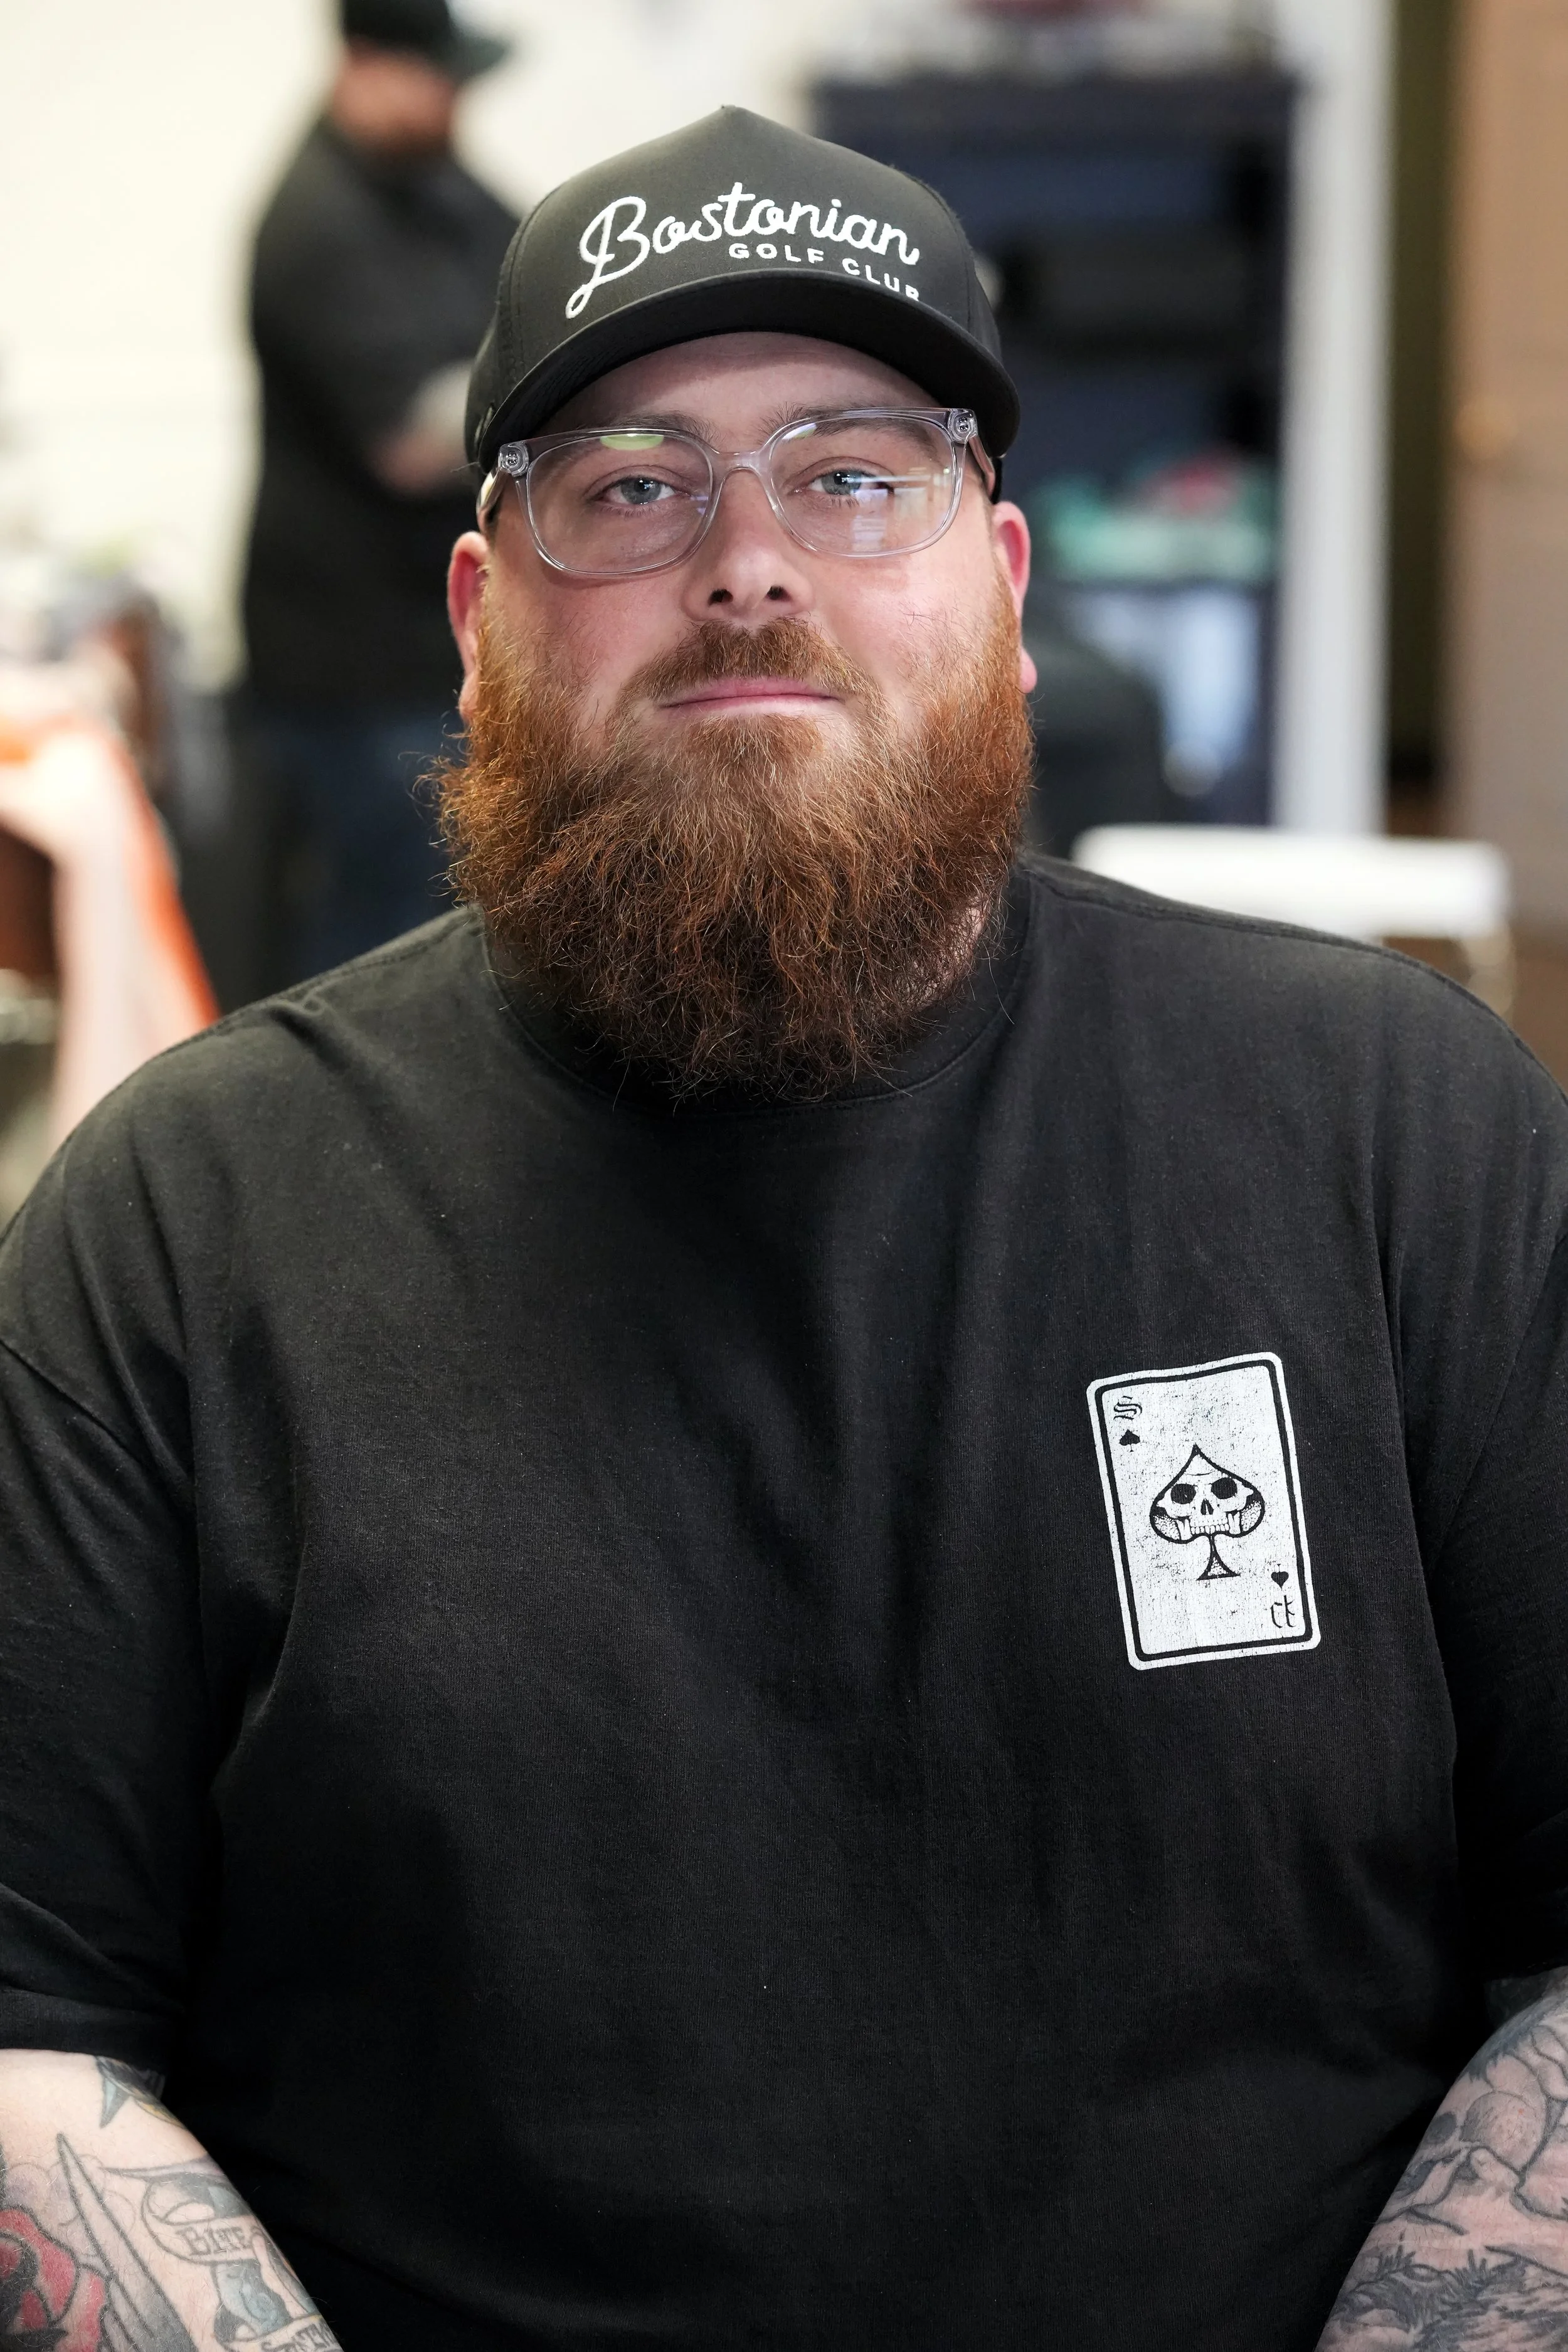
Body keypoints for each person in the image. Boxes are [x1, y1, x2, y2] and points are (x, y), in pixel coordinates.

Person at [0, 104, 1566, 2352]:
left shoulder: (1404, 1140)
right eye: (630, 488)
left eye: (854, 474)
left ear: (1007, 589)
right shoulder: (180, 1228)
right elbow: (32, 2014)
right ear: (477, 619)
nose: (747, 562)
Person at [240, 0, 516, 984]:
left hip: (423, 636)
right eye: (437, 78)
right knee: (379, 941)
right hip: (351, 655)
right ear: (363, 61)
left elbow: (541, 261)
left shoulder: (431, 185)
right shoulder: (321, 222)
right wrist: (548, 375)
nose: (455, 104)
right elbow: (407, 436)